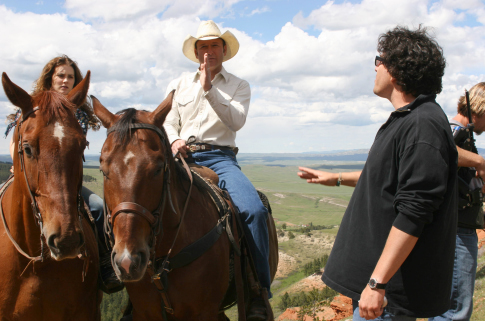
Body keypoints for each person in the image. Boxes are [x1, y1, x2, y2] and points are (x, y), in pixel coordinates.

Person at [299, 26, 457, 320]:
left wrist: (377, 282)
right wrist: (334, 178)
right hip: (383, 293)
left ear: (396, 70)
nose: (375, 67)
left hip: (389, 298)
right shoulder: (410, 118)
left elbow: (415, 209)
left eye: (380, 60)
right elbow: (389, 178)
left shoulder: (423, 125)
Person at [164, 20, 271, 320]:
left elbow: (236, 121)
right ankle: (139, 294)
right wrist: (174, 139)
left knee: (253, 211)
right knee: (145, 202)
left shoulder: (239, 85)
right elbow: (169, 121)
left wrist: (209, 88)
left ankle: (256, 292)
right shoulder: (179, 85)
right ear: (196, 52)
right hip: (181, 157)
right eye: (203, 46)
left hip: (220, 158)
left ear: (223, 49)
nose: (208, 51)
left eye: (214, 45)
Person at [4, 55, 122, 293]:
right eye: (61, 75)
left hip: (66, 179)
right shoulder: (31, 107)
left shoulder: (76, 112)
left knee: (98, 206)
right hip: (32, 175)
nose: (66, 80)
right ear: (50, 78)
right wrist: (18, 166)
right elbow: (16, 136)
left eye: (70, 76)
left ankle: (104, 265)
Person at [428, 83, 485, 321]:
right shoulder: (453, 132)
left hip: (460, 227)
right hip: (457, 231)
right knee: (453, 312)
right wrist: (479, 161)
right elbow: (442, 150)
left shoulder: (464, 135)